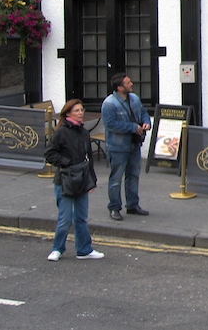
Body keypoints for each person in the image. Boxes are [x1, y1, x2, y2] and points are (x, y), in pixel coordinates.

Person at [44, 99, 104, 261]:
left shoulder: (84, 132)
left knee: (81, 218)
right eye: (76, 110)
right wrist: (67, 163)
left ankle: (84, 250)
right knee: (65, 218)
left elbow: (89, 158)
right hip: (64, 180)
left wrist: (92, 180)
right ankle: (57, 248)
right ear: (68, 113)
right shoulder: (61, 132)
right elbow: (50, 154)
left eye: (81, 110)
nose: (80, 113)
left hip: (82, 179)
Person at [102, 72, 152, 221]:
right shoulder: (109, 104)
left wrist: (146, 122)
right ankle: (114, 208)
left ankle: (132, 205)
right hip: (118, 147)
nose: (131, 84)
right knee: (116, 179)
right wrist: (132, 127)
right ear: (119, 88)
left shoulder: (134, 98)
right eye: (128, 83)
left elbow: (143, 112)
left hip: (134, 144)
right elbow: (111, 125)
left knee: (133, 176)